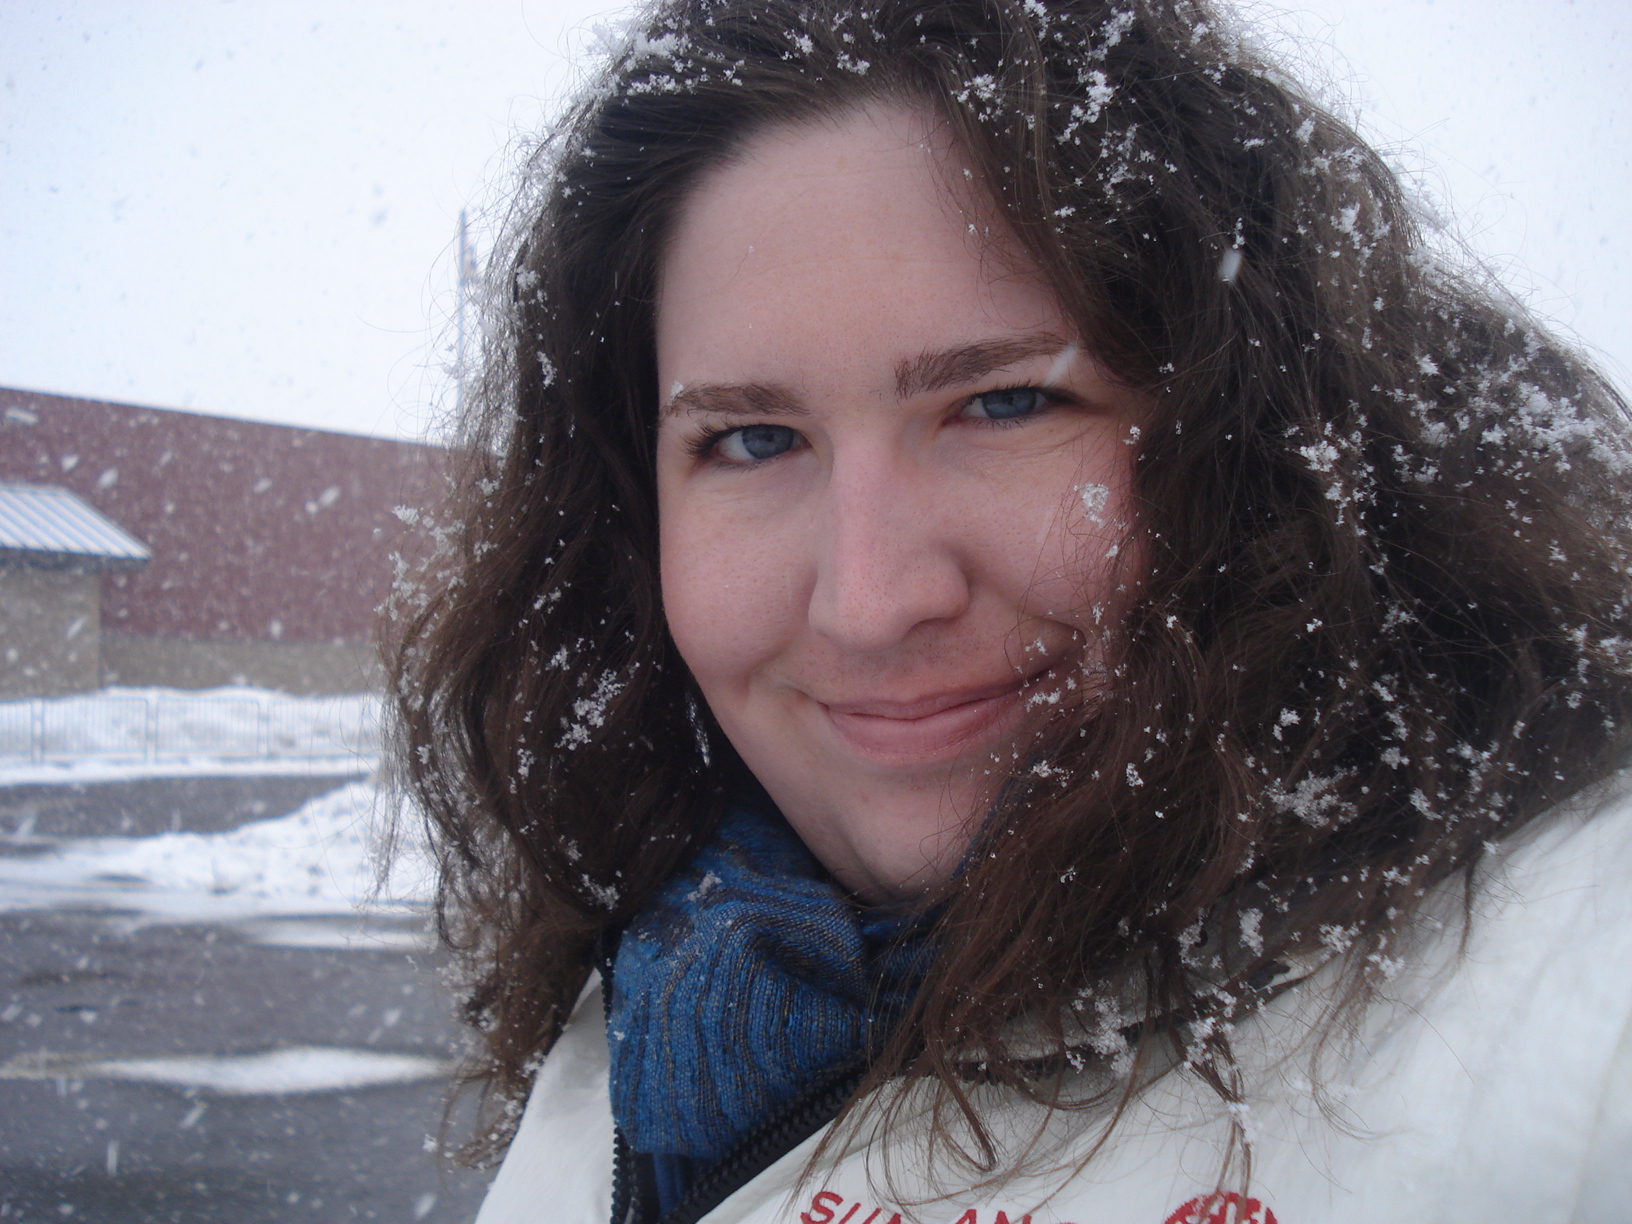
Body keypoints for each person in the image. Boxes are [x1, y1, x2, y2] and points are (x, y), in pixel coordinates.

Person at [387, 1, 1632, 1220]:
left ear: (1263, 437)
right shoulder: (659, 987)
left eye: (1005, 405)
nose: (869, 602)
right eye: (753, 438)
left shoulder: (1575, 1001)